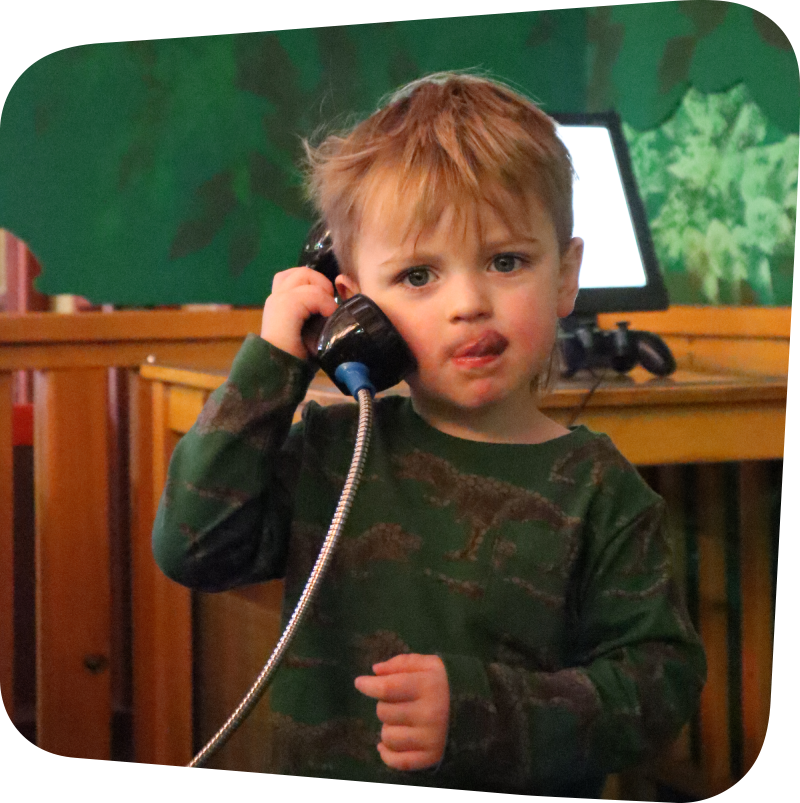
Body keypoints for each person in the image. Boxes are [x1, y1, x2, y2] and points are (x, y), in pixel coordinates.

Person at [152, 72, 706, 796]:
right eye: (419, 276)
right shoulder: (332, 454)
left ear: (566, 275)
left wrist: (484, 710)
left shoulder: (600, 490)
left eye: (506, 262)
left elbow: (659, 685)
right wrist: (274, 363)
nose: (470, 304)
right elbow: (192, 546)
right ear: (353, 307)